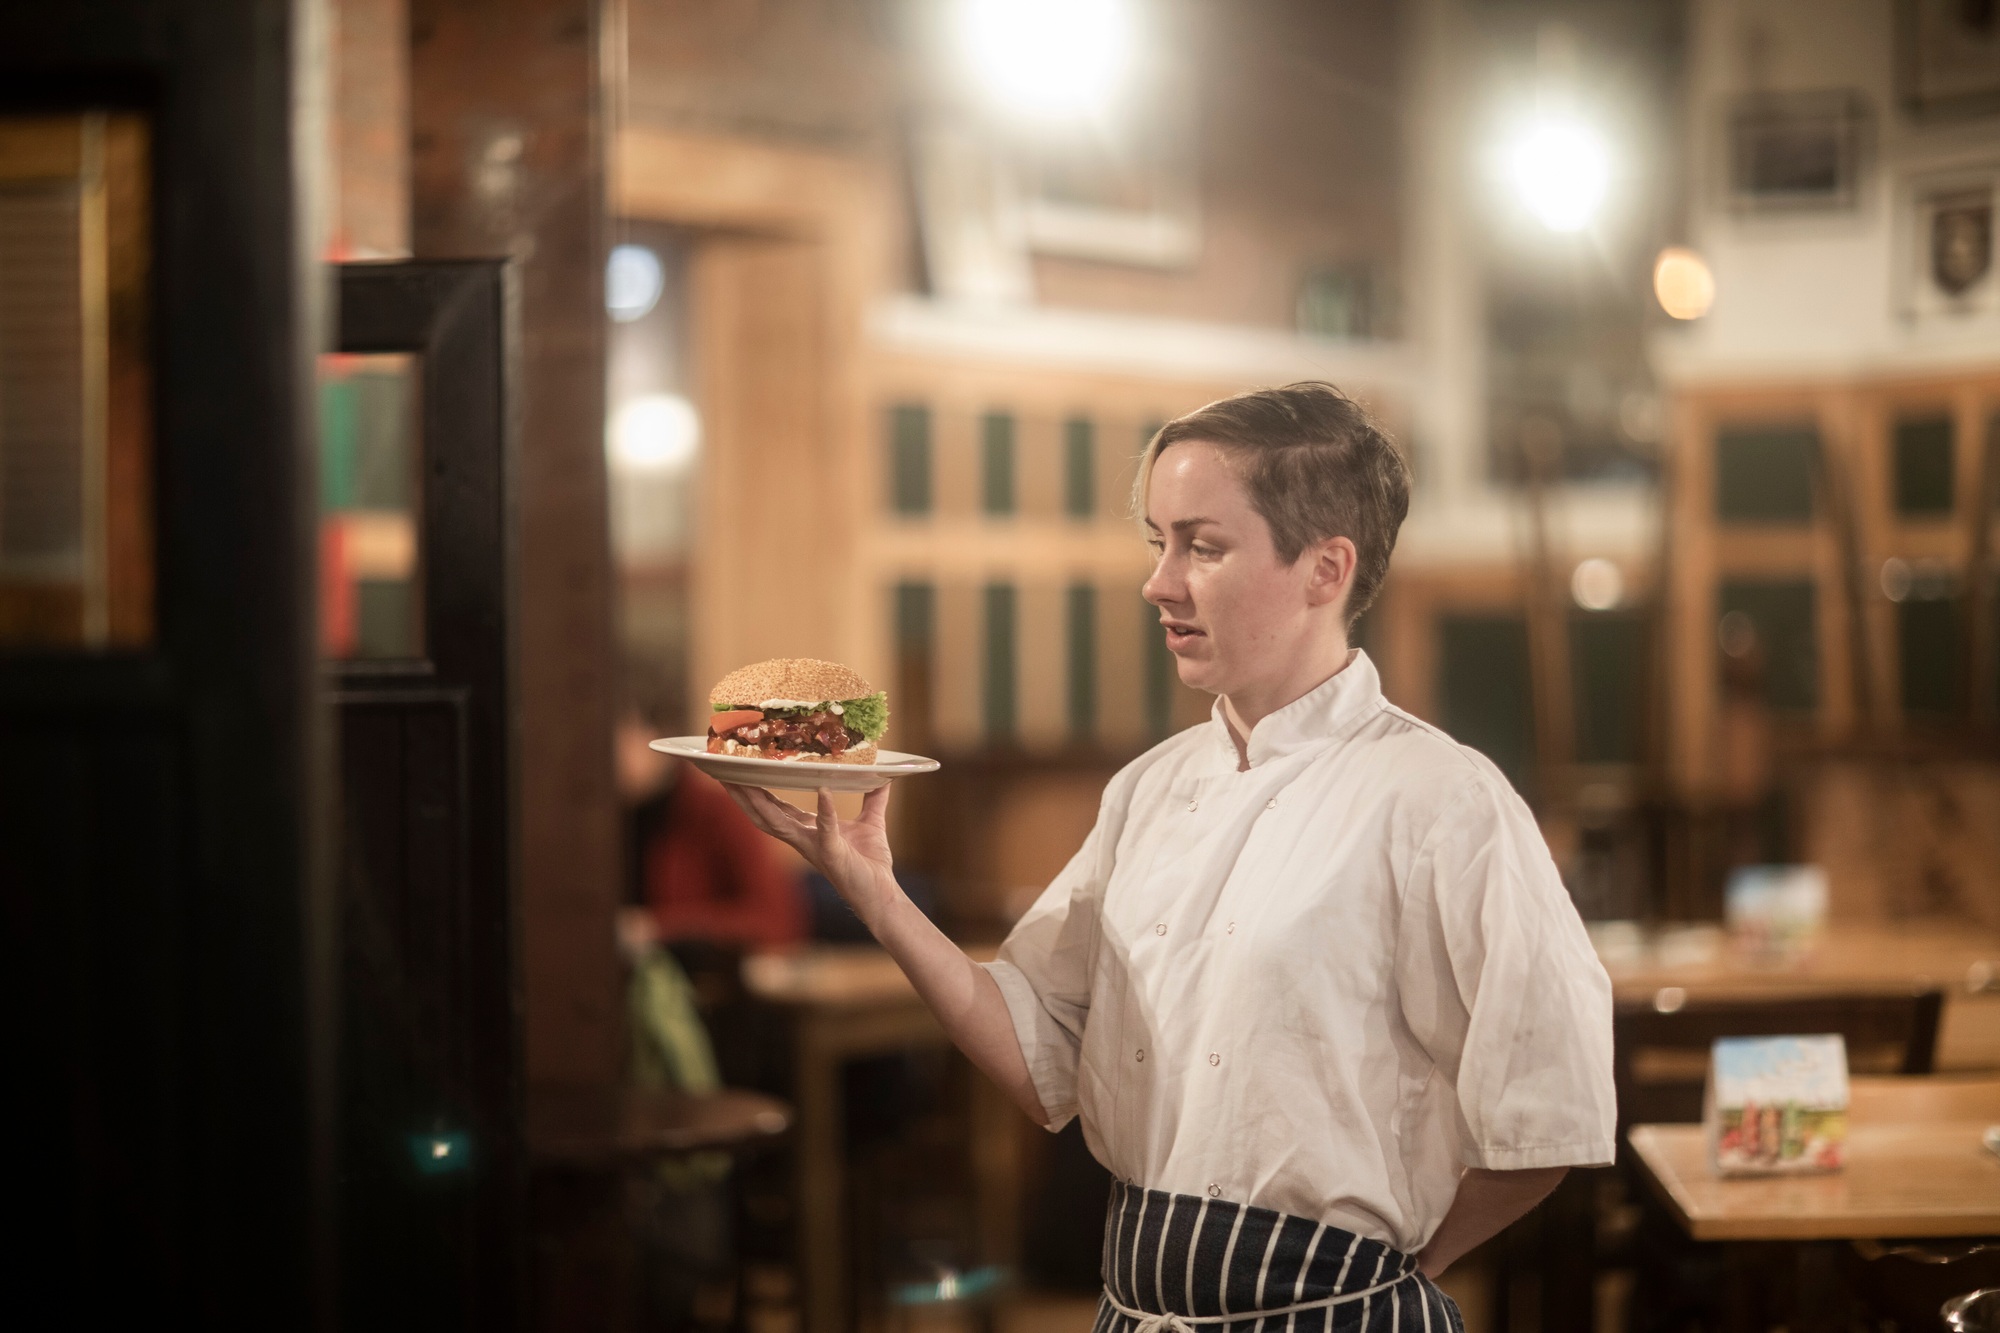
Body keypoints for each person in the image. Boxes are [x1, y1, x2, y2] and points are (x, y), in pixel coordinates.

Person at [725, 383, 1615, 1331]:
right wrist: (873, 890)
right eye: (1159, 543)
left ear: (1326, 567)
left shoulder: (1442, 796)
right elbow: (1038, 1060)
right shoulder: (1145, 790)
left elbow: (1549, 1103)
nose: (1160, 581)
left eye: (1204, 545)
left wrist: (1387, 1276)